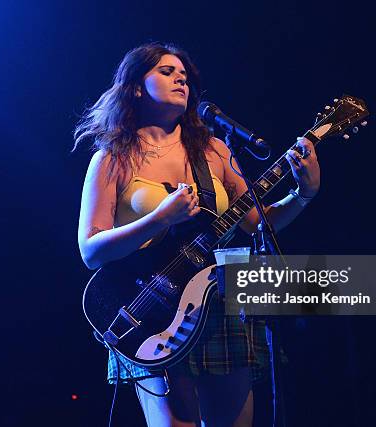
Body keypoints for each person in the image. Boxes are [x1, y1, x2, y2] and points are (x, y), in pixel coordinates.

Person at [74, 42, 320, 427]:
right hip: (150, 309)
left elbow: (257, 223)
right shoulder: (112, 158)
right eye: (167, 72)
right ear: (137, 87)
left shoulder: (214, 151)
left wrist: (302, 194)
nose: (180, 80)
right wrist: (157, 219)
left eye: (184, 76)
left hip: (219, 301)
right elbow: (91, 250)